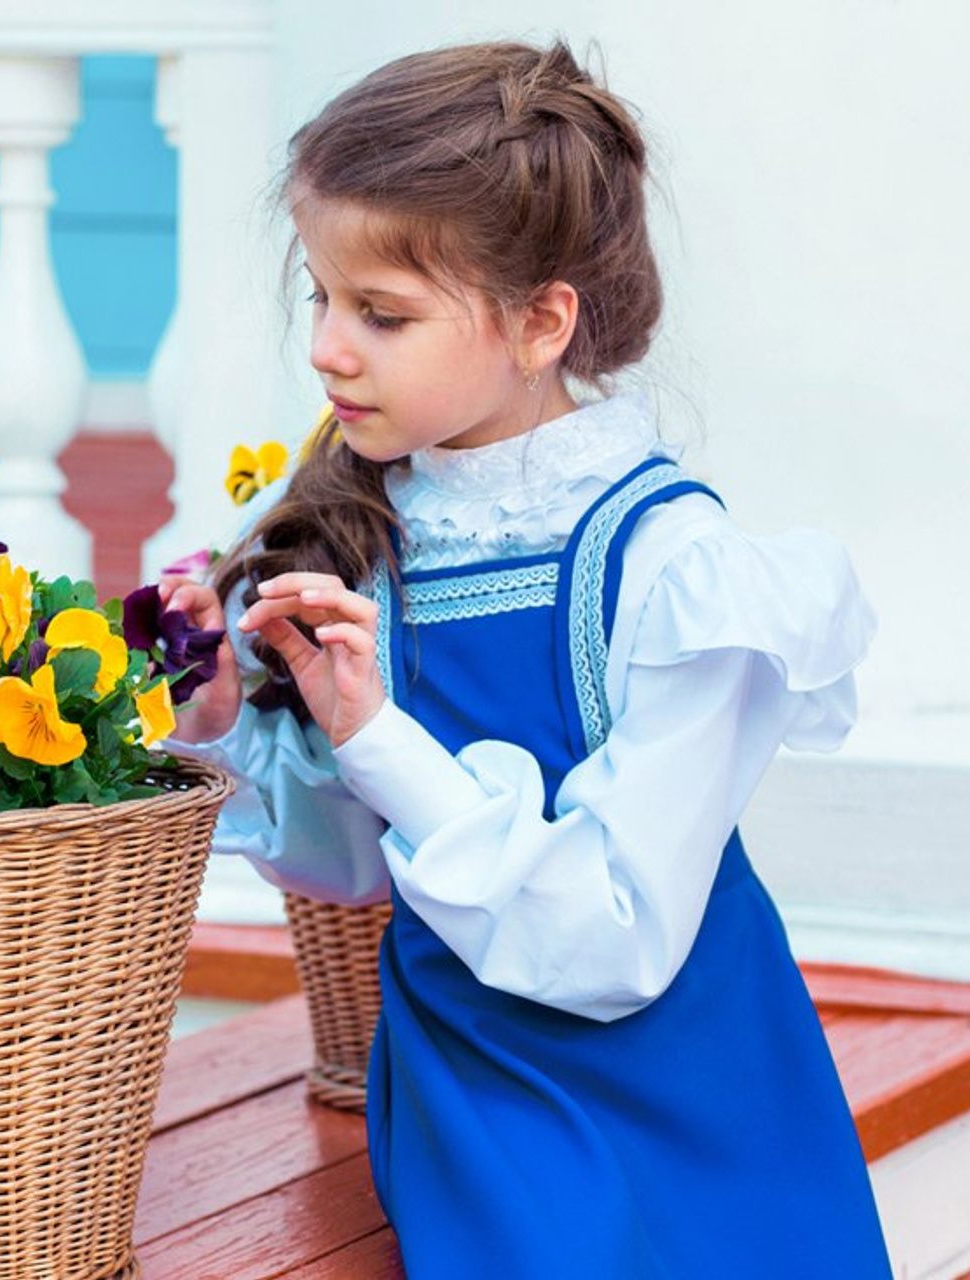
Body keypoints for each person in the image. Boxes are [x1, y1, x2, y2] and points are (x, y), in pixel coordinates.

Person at [161, 40, 893, 1279]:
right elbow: (362, 861)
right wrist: (229, 721)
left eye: (381, 313)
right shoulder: (380, 535)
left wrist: (382, 736)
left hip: (685, 1112)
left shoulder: (670, 566)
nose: (330, 349)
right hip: (476, 1097)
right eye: (321, 300)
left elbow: (613, 938)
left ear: (541, 321)